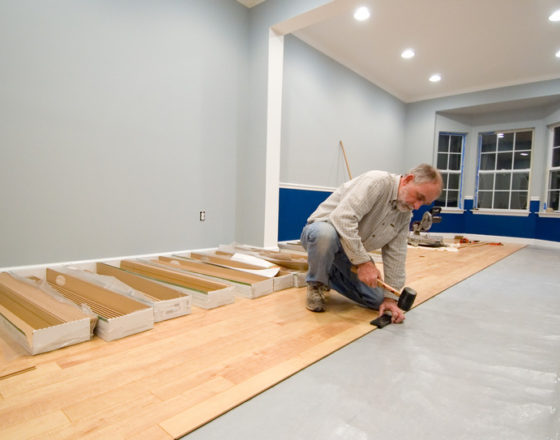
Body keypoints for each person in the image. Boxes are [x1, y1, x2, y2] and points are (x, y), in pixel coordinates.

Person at [300, 163, 443, 323]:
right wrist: (364, 263)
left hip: (349, 253)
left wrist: (390, 298)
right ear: (408, 180)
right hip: (321, 234)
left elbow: (396, 255)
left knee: (377, 300)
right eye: (419, 197)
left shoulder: (404, 214)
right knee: (325, 234)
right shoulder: (376, 182)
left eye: (423, 203)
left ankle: (326, 273)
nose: (416, 206)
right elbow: (342, 219)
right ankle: (316, 283)